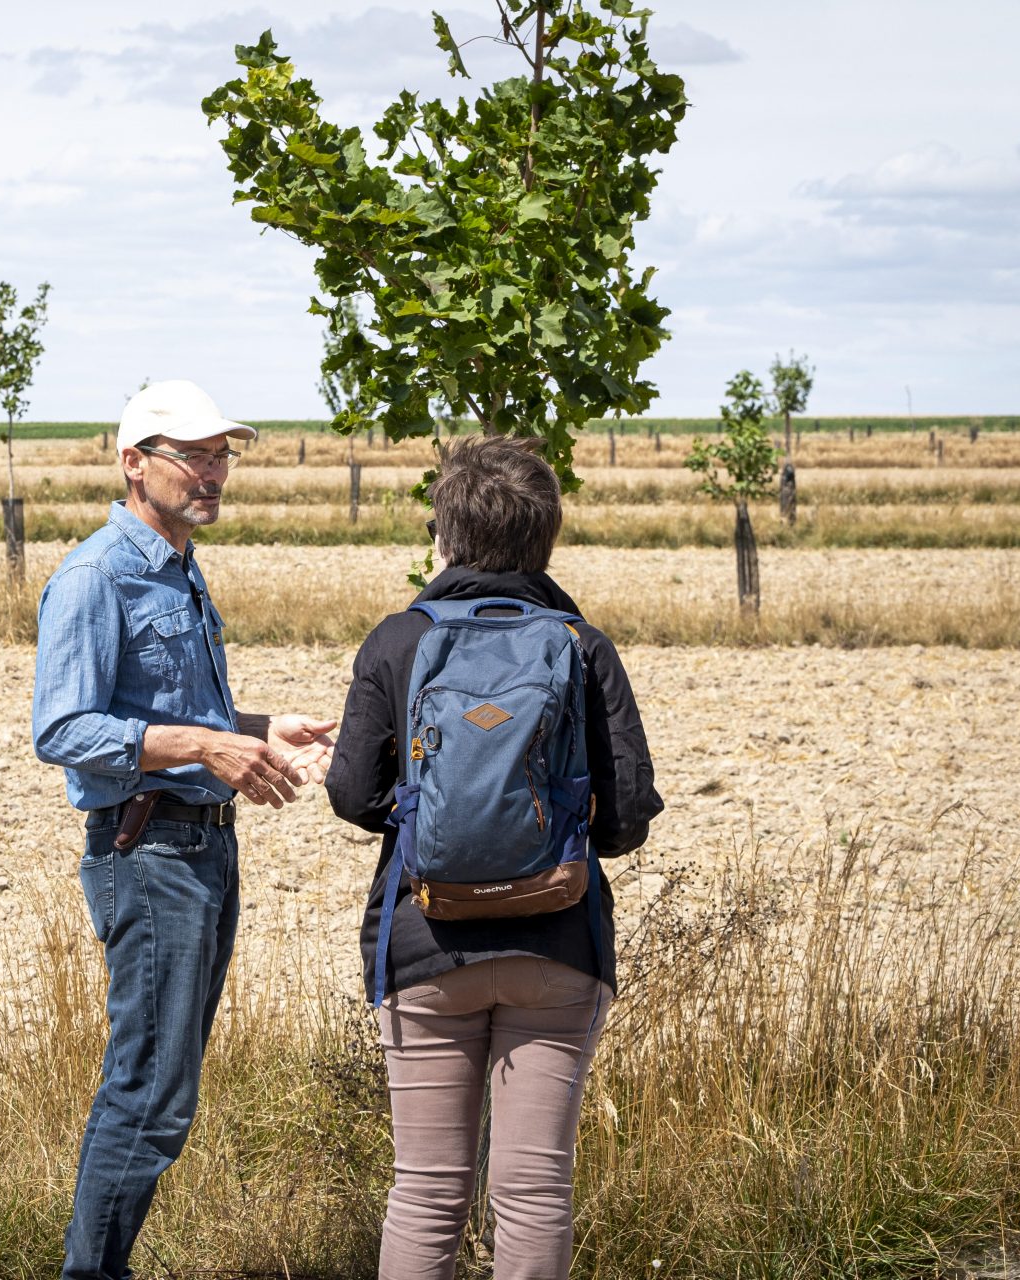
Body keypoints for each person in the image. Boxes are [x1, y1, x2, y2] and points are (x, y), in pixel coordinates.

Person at [325, 435, 663, 1280]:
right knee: (535, 1188)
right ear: (547, 536)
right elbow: (625, 819)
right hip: (557, 944)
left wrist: (433, 820)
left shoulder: (397, 642)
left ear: (443, 534)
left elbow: (350, 795)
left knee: (428, 1191)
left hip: (427, 945)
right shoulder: (583, 646)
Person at [33, 379, 337, 1280]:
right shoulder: (98, 574)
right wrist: (206, 745)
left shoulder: (180, 567)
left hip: (202, 848)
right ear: (134, 464)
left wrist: (254, 730)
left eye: (222, 456)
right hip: (149, 851)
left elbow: (177, 712)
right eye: (193, 456)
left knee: (166, 1087)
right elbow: (63, 729)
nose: (213, 473)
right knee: (151, 1091)